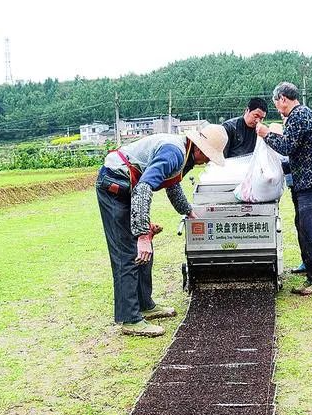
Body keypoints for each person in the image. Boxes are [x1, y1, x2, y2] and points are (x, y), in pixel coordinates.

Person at [96, 125, 228, 336]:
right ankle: (130, 319)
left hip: (129, 186)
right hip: (115, 185)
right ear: (200, 149)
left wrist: (189, 212)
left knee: (144, 251)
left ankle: (145, 305)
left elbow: (171, 184)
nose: (209, 160)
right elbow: (143, 188)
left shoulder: (184, 155)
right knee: (128, 253)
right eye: (210, 156)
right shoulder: (174, 152)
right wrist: (142, 235)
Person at [255, 82, 312, 295]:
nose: (277, 108)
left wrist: (265, 134)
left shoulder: (298, 115)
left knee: (311, 231)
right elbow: (297, 152)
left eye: (276, 103)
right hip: (310, 183)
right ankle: (311, 268)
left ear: (282, 98)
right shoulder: (301, 115)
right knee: (303, 227)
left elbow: (287, 146)